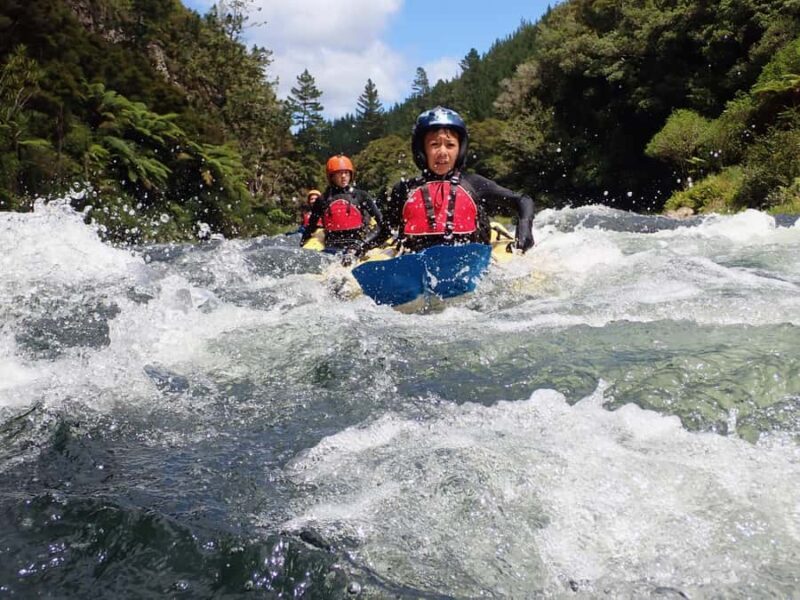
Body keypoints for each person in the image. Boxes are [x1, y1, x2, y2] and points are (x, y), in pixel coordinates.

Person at [382, 106, 535, 254]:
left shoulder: (474, 183)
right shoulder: (404, 190)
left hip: (470, 264)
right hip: (416, 263)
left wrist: (524, 228)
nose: (443, 152)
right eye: (434, 144)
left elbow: (523, 201)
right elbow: (385, 230)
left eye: (450, 145)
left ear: (460, 150)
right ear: (422, 150)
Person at [300, 155, 384, 261]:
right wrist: (302, 245)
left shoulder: (361, 196)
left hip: (357, 244)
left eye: (346, 173)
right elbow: (311, 227)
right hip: (332, 246)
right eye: (340, 173)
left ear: (351, 174)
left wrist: (362, 244)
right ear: (332, 176)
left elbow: (381, 222)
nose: (344, 176)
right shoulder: (322, 200)